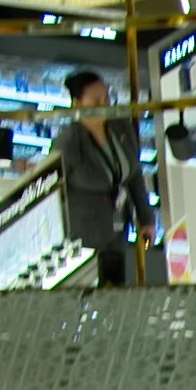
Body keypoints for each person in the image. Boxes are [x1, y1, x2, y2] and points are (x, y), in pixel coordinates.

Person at [52, 69, 145, 286]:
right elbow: (56, 192)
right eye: (96, 100)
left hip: (118, 226)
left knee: (118, 287)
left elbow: (133, 172)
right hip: (86, 235)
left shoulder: (121, 126)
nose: (104, 104)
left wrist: (146, 217)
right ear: (77, 104)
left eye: (106, 97)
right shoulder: (68, 143)